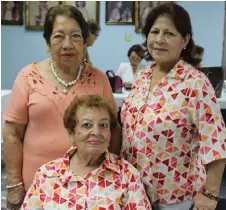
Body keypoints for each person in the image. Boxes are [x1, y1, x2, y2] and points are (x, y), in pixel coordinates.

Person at [3, 5, 121, 210]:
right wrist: (14, 184)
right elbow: (12, 133)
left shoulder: (99, 79)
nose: (68, 44)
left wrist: (112, 178)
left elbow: (113, 130)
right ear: (48, 43)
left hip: (90, 191)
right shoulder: (28, 77)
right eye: (59, 36)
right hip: (37, 191)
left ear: (85, 42)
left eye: (75, 36)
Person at [121, 3, 226, 210]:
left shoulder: (195, 83)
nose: (159, 39)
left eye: (169, 33)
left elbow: (215, 141)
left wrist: (210, 193)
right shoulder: (142, 75)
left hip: (174, 197)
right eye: (154, 32)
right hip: (134, 190)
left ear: (185, 40)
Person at [20, 95, 151, 209]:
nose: (96, 132)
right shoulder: (46, 175)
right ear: (71, 134)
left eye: (103, 125)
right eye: (87, 125)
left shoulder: (127, 175)